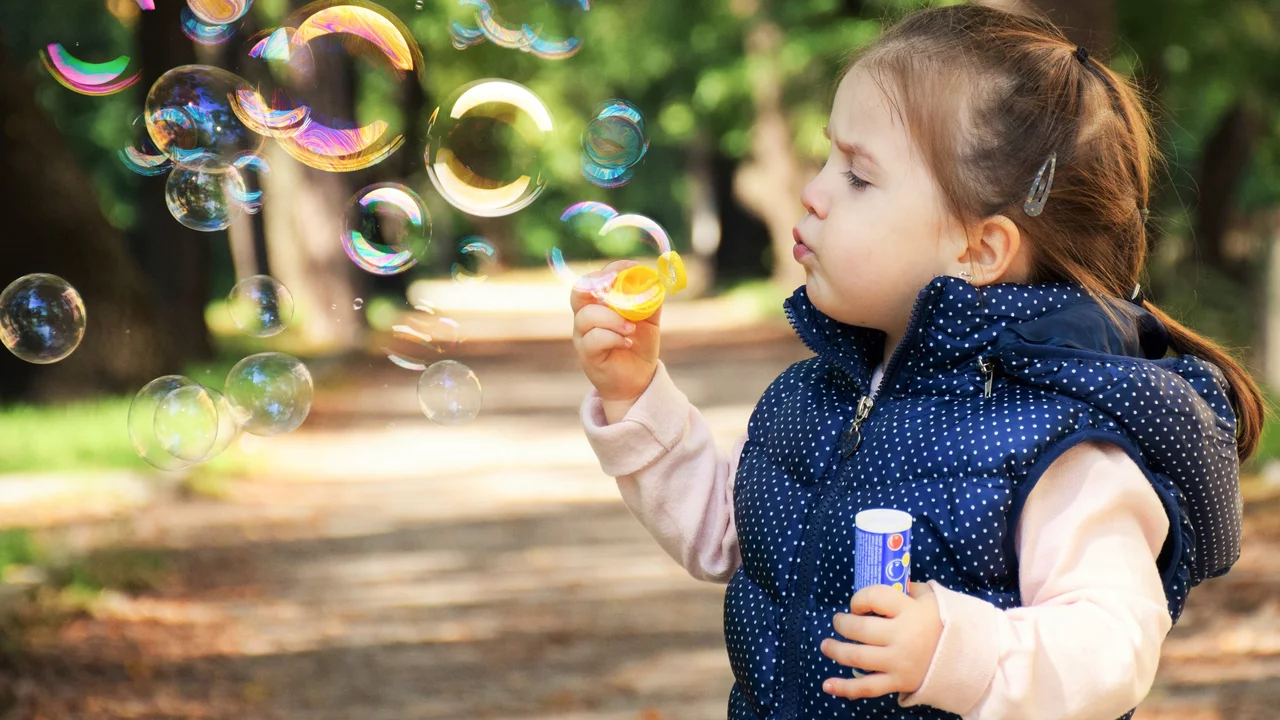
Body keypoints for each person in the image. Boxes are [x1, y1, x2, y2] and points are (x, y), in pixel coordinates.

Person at [569, 4, 1264, 719]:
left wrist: (954, 651)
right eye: (827, 158)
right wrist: (636, 395)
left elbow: (1112, 645)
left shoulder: (1058, 441)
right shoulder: (817, 395)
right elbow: (731, 533)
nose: (812, 191)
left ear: (979, 249)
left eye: (857, 176)